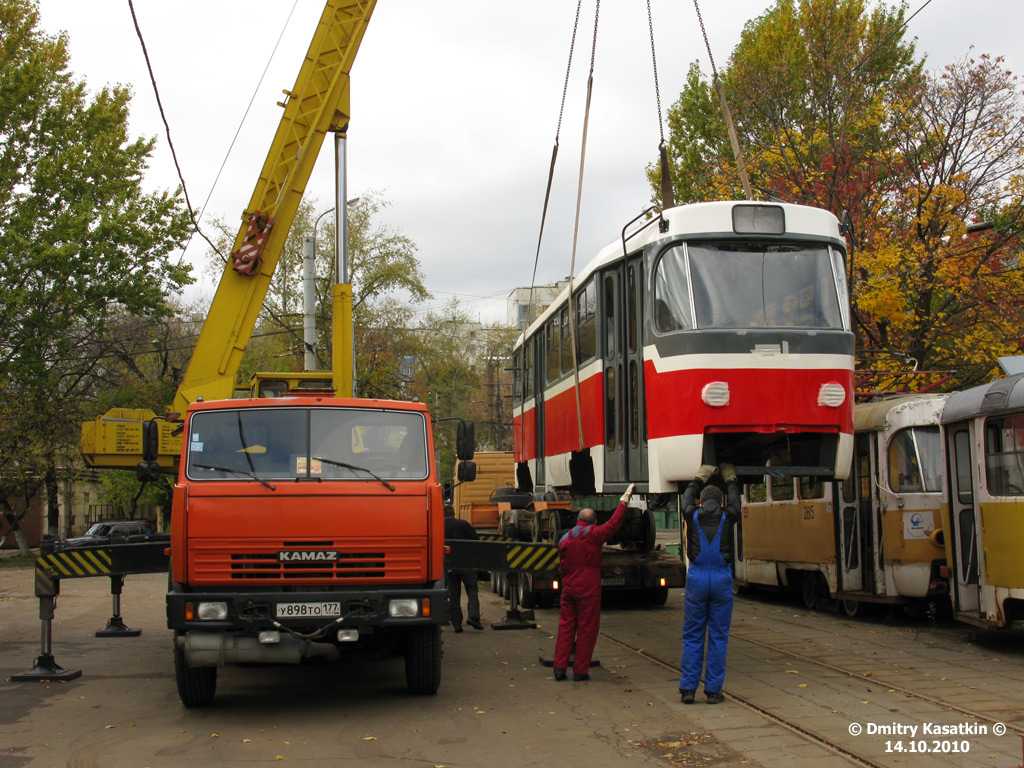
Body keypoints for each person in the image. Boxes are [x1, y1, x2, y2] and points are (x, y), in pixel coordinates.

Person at [552, 483, 634, 682]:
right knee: (587, 629)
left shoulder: (565, 539)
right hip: (588, 589)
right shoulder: (594, 534)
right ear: (593, 521)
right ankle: (580, 671)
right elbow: (613, 524)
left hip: (569, 588)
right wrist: (624, 500)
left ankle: (559, 668)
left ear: (578, 520)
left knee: (566, 627)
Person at [678, 463, 741, 705]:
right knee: (718, 636)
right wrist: (731, 480)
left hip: (697, 579)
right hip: (721, 579)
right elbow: (736, 503)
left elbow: (686, 499)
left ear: (701, 502)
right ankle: (713, 691)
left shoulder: (692, 515)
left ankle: (688, 689)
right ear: (721, 501)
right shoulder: (728, 515)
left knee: (693, 636)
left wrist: (698, 478)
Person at [443, 505, 482, 632]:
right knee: (472, 590)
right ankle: (473, 617)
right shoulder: (463, 524)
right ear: (453, 513)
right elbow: (475, 541)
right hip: (466, 564)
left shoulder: (439, 526)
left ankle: (456, 624)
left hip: (450, 565)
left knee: (453, 594)